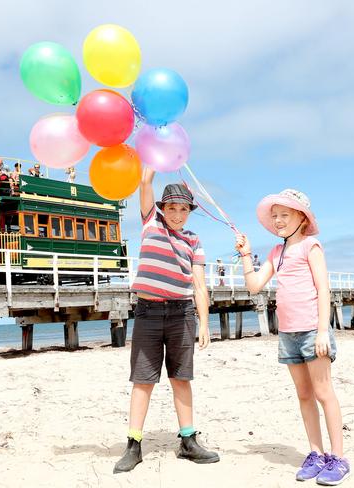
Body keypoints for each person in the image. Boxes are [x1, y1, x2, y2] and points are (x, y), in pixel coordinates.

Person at [235, 189, 350, 485]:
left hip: (313, 329)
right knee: (303, 394)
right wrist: (246, 255)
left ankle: (338, 457)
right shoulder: (277, 252)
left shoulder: (311, 246)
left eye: (284, 214)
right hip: (288, 333)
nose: (278, 220)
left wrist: (323, 330)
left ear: (302, 217)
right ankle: (316, 453)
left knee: (324, 393)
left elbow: (324, 289)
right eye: (275, 216)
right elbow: (254, 285)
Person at [113, 167, 219, 474]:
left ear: (188, 211)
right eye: (171, 207)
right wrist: (153, 154)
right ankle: (133, 445)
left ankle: (188, 441)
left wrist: (205, 323)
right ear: (162, 208)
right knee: (143, 380)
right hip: (148, 311)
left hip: (181, 313)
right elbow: (144, 181)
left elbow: (199, 285)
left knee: (181, 378)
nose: (176, 213)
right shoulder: (151, 222)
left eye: (182, 208)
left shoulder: (193, 241)